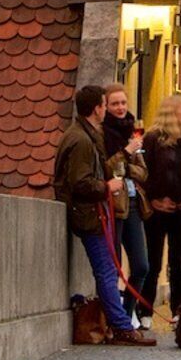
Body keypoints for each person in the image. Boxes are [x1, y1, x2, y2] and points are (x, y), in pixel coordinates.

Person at [52, 85, 151, 344]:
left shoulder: (84, 134)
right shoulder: (82, 140)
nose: (109, 109)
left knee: (111, 268)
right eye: (106, 104)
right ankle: (121, 327)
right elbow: (81, 183)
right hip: (88, 214)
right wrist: (106, 186)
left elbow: (140, 172)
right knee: (107, 270)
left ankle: (119, 324)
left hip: (95, 212)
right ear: (97, 108)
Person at [146, 112, 181, 305]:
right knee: (153, 262)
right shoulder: (153, 139)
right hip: (157, 211)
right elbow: (146, 171)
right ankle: (146, 309)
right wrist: (154, 198)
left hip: (180, 209)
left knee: (178, 262)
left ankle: (178, 307)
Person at [107, 111, 156, 314]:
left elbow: (143, 172)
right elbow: (107, 168)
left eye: (123, 103)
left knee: (141, 266)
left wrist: (128, 168)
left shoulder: (131, 137)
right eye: (115, 103)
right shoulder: (104, 136)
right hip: (115, 205)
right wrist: (126, 153)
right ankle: (115, 317)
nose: (120, 108)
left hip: (134, 204)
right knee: (113, 266)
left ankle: (126, 313)